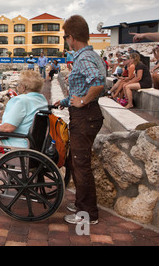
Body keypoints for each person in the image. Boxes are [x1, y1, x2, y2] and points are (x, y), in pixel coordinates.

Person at [54, 15, 106, 226]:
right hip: (88, 114)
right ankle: (81, 204)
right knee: (77, 162)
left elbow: (98, 83)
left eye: (66, 37)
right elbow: (82, 87)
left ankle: (87, 214)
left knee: (81, 164)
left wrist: (83, 101)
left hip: (85, 116)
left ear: (72, 37)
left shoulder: (83, 58)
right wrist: (66, 101)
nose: (66, 41)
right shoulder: (91, 55)